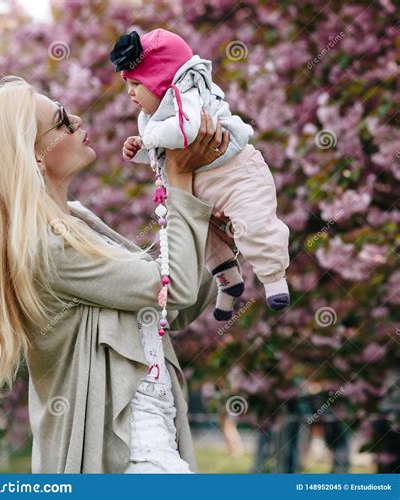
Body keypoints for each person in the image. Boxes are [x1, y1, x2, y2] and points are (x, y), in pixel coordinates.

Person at [0, 75, 236, 473]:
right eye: (62, 122)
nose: (77, 119)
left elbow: (170, 310)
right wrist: (179, 180)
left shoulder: (78, 221)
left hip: (156, 438)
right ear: (35, 154)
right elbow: (173, 290)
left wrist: (210, 231)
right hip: (121, 453)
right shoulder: (45, 247)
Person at [110, 28, 291, 320]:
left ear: (161, 81)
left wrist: (150, 138)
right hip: (202, 187)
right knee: (201, 240)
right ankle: (228, 283)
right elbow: (164, 155)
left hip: (236, 175)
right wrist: (141, 148)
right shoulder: (152, 117)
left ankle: (273, 278)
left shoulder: (186, 95)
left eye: (136, 84)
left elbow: (185, 131)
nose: (130, 93)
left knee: (254, 225)